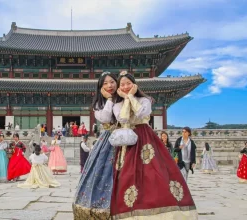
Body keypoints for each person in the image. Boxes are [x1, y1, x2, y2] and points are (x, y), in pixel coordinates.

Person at [110, 71, 197, 219]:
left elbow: (141, 114)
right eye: (122, 84)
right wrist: (125, 99)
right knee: (127, 174)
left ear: (134, 85)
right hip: (127, 142)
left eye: (128, 84)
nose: (125, 87)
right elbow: (123, 119)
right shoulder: (117, 104)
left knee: (154, 172)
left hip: (145, 139)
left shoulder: (145, 100)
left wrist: (130, 96)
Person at [73, 72, 118, 219]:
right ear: (100, 87)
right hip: (109, 141)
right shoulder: (99, 104)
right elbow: (105, 117)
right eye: (105, 83)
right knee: (104, 173)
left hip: (129, 138)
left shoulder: (123, 98)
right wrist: (110, 100)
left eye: (112, 82)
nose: (109, 85)